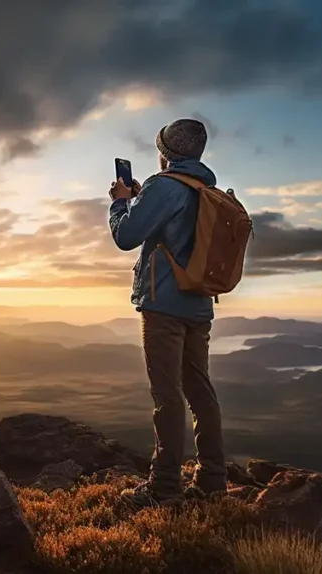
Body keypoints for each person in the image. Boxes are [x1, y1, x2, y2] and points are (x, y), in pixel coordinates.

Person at [107, 118, 226, 507]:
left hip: (164, 306)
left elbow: (126, 236)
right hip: (199, 305)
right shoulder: (205, 189)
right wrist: (143, 199)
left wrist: (121, 202)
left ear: (165, 153)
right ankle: (212, 479)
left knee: (167, 396)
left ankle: (165, 487)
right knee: (200, 390)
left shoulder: (165, 186)